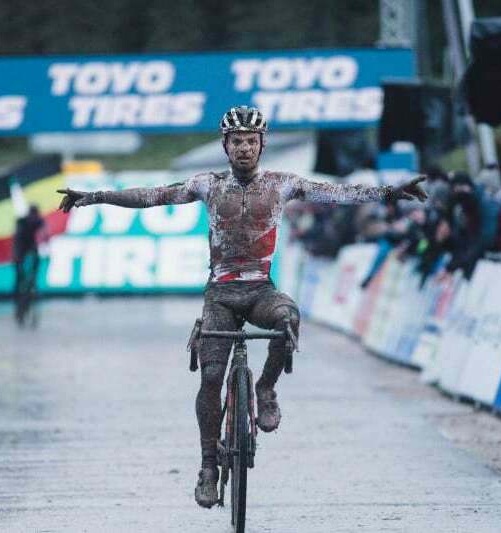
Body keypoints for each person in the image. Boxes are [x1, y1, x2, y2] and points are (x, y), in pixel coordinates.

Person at [57, 106, 428, 509]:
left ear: (262, 144)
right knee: (211, 379)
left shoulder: (283, 184)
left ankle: (266, 388)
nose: (245, 148)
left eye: (252, 141)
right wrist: (93, 197)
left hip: (259, 292)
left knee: (288, 317)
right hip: (219, 296)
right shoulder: (208, 185)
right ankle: (208, 466)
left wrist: (392, 192)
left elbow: (339, 193)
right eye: (238, 142)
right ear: (226, 146)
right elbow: (154, 195)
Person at [12, 204, 46, 319]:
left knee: (33, 276)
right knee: (19, 279)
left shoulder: (39, 221)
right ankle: (18, 302)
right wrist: (17, 256)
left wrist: (45, 242)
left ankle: (32, 288)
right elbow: (17, 239)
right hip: (20, 251)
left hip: (32, 250)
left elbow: (45, 233)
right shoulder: (21, 222)